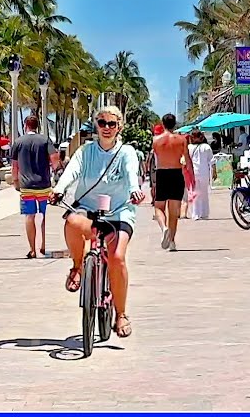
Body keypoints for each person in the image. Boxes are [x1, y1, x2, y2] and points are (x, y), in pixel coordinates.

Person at [51, 105, 145, 338]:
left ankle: (121, 314)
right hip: (89, 209)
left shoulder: (127, 152)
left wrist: (135, 191)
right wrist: (59, 189)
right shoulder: (85, 151)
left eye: (111, 124)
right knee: (71, 221)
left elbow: (132, 174)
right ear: (96, 125)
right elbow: (71, 170)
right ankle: (77, 267)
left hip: (119, 211)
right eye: (101, 123)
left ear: (119, 127)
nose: (106, 128)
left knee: (117, 258)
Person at [9, 114, 60, 258]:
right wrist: (55, 172)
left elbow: (14, 166)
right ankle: (41, 247)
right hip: (43, 185)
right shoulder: (44, 140)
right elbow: (54, 158)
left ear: (25, 125)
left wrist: (15, 181)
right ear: (37, 126)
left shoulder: (18, 142)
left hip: (26, 186)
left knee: (29, 216)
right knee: (41, 216)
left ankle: (32, 249)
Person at [151, 114, 193, 252]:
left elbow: (156, 158)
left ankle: (164, 228)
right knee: (174, 211)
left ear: (163, 124)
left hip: (162, 173)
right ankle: (172, 242)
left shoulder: (156, 140)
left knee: (159, 207)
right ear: (175, 124)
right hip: (176, 173)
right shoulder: (181, 140)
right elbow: (187, 158)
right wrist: (191, 176)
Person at [187, 131, 215, 220]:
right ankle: (204, 213)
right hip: (204, 172)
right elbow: (212, 161)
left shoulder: (189, 147)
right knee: (204, 193)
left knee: (195, 193)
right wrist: (214, 172)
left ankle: (196, 214)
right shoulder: (206, 147)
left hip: (193, 173)